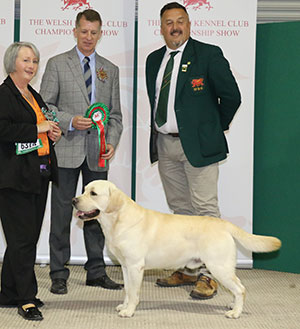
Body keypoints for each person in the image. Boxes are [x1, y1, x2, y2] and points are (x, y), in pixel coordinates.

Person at [145, 2, 241, 300]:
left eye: (180, 21)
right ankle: (189, 269)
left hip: (199, 147)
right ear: (161, 28)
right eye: (169, 22)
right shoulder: (153, 60)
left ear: (189, 24)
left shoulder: (208, 54)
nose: (175, 27)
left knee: (206, 212)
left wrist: (211, 129)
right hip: (165, 144)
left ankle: (210, 275)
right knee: (181, 213)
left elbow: (232, 97)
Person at [40, 9, 123, 295]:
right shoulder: (56, 64)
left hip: (97, 151)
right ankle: (58, 273)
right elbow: (46, 106)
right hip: (65, 149)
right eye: (84, 31)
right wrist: (69, 121)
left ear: (101, 34)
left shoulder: (110, 69)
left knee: (97, 214)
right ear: (74, 31)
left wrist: (110, 140)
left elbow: (115, 115)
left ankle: (97, 271)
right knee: (62, 213)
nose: (88, 37)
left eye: (94, 32)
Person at [0, 42, 61, 321]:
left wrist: (52, 131)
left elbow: (44, 123)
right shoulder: (4, 95)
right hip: (15, 177)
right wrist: (39, 128)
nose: (32, 65)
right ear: (12, 63)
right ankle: (25, 299)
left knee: (24, 238)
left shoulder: (32, 94)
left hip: (39, 172)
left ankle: (9, 292)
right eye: (26, 60)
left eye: (35, 61)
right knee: (22, 239)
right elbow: (4, 130)